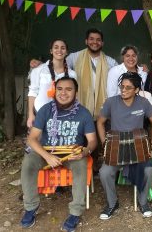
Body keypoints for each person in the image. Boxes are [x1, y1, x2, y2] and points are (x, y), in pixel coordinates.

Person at [21, 77, 97, 232]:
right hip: (47, 151)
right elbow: (32, 138)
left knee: (81, 166)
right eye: (60, 89)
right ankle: (31, 207)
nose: (63, 93)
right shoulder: (45, 110)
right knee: (28, 163)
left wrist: (85, 151)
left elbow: (93, 141)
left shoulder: (84, 113)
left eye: (69, 89)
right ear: (55, 91)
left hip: (71, 153)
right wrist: (47, 156)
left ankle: (75, 212)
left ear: (76, 92)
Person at [97, 72, 152, 219]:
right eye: (122, 87)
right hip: (116, 147)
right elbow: (100, 122)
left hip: (137, 148)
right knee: (104, 172)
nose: (123, 90)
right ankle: (112, 204)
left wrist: (151, 146)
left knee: (148, 170)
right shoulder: (111, 102)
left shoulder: (143, 103)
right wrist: (104, 144)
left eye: (128, 87)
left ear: (136, 90)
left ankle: (143, 202)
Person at [30, 28, 118, 119]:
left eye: (98, 40)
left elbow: (120, 75)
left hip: (102, 109)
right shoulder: (75, 57)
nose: (95, 42)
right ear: (86, 41)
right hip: (81, 108)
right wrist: (42, 64)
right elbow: (58, 63)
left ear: (102, 43)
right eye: (91, 39)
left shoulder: (110, 62)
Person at [27, 39, 77, 128]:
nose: (59, 50)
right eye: (56, 47)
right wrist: (31, 115)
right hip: (40, 113)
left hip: (62, 115)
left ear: (66, 52)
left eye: (63, 48)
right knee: (38, 141)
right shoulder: (39, 70)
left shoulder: (72, 74)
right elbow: (32, 92)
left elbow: (73, 96)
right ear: (51, 51)